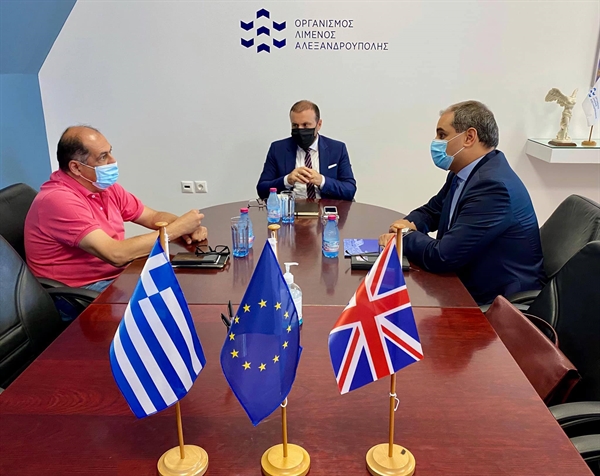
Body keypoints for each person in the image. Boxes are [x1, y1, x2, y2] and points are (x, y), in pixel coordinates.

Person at [380, 101, 545, 305]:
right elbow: (432, 211)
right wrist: (408, 223)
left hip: (496, 302)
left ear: (469, 137)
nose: (436, 142)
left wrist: (404, 236)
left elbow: (443, 256)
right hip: (462, 282)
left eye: (442, 135)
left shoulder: (493, 187)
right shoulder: (464, 173)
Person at [25, 126, 208, 293]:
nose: (113, 161)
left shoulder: (102, 187)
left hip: (115, 276)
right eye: (103, 157)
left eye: (110, 152)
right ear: (76, 167)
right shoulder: (58, 200)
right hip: (81, 292)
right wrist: (177, 229)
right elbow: (116, 254)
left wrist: (187, 229)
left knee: (188, 281)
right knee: (178, 296)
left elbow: (152, 217)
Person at [257, 100, 357, 201]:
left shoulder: (337, 149)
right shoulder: (278, 149)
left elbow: (350, 189)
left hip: (325, 208)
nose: (300, 130)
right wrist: (287, 180)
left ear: (319, 124)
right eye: (295, 125)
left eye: (305, 125)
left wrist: (322, 181)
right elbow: (262, 189)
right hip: (290, 208)